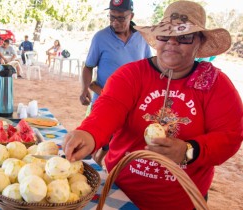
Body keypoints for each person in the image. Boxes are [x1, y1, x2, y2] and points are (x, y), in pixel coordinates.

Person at [63, 1, 242, 209]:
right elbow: (109, 108)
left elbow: (230, 135)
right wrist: (89, 133)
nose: (172, 42)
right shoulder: (131, 75)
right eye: (165, 35)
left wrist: (189, 150)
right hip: (120, 194)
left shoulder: (215, 84)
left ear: (199, 42)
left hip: (183, 201)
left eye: (184, 37)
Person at [81, 0, 152, 167]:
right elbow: (88, 67)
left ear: (131, 16)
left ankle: (99, 163)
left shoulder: (142, 37)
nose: (115, 22)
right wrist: (84, 89)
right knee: (94, 140)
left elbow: (149, 67)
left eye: (120, 18)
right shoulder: (100, 37)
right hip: (104, 101)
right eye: (111, 17)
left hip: (131, 105)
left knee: (115, 144)